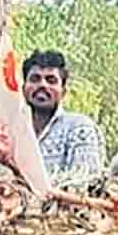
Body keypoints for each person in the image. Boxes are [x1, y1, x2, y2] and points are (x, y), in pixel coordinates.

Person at [21, 49, 107, 188]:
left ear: (63, 92)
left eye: (51, 80)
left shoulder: (79, 128)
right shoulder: (11, 131)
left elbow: (84, 183)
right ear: (23, 88)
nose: (43, 85)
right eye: (35, 79)